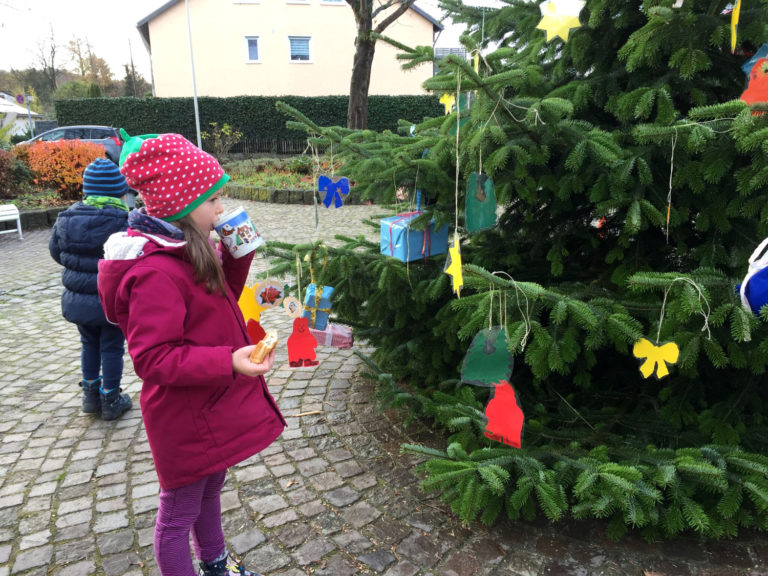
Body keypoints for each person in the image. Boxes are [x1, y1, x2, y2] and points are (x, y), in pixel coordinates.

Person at [97, 131, 286, 576]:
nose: (221, 209)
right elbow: (153, 358)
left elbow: (217, 303)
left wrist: (238, 258)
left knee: (210, 489)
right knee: (178, 512)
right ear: (181, 205)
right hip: (182, 416)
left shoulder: (188, 250)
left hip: (207, 404)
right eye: (213, 200)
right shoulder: (157, 271)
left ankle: (216, 565)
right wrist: (228, 361)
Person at [49, 157, 133, 420]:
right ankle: (111, 398)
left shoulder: (66, 218)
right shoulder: (123, 220)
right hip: (110, 300)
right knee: (111, 347)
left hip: (77, 299)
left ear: (86, 190)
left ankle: (89, 394)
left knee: (88, 343)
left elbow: (55, 251)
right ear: (119, 191)